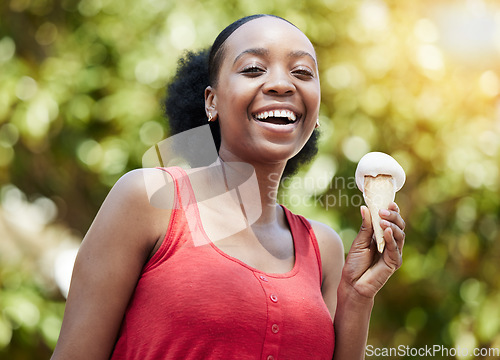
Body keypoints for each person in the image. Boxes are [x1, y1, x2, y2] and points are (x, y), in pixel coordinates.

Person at [51, 14, 405, 360]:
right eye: (253, 69)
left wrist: (357, 297)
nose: (282, 84)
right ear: (211, 101)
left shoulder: (323, 247)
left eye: (302, 72)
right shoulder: (150, 201)